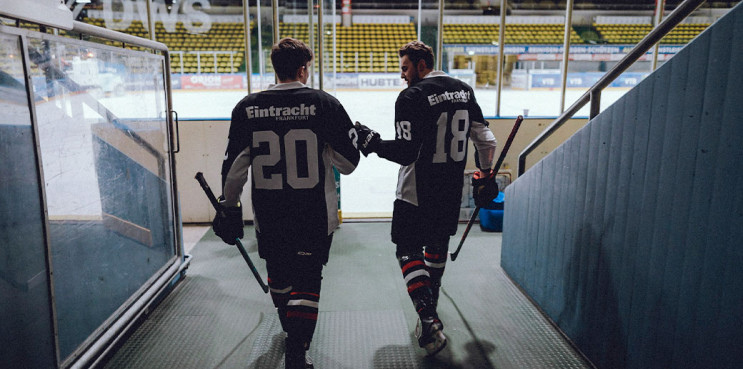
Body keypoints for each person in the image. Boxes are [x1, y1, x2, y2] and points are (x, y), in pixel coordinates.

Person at [213, 37, 361, 369]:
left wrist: (228, 205)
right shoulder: (325, 104)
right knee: (308, 279)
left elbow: (234, 168)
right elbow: (349, 165)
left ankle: (289, 327)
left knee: (279, 277)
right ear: (303, 69)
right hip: (314, 214)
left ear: (275, 68)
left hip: (270, 214)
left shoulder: (247, 107)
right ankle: (298, 348)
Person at [355, 40, 498, 356]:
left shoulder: (411, 96)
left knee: (407, 249)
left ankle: (428, 318)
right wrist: (485, 175)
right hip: (450, 191)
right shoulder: (463, 90)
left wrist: (373, 143)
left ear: (422, 65)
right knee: (435, 247)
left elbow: (407, 152)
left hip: (415, 190)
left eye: (405, 67)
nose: (402, 75)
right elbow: (486, 140)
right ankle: (430, 312)